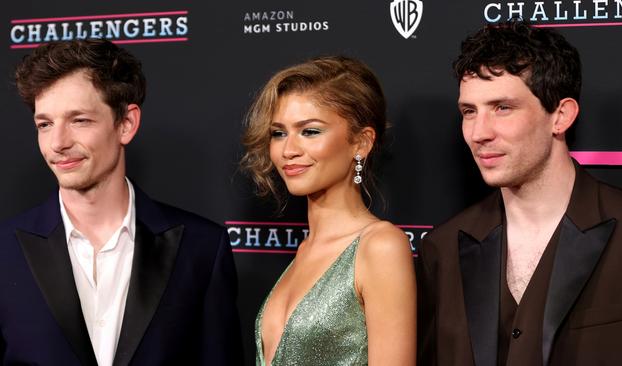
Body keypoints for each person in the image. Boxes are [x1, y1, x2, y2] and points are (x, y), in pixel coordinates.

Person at [417, 20, 622, 366]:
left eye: (502, 108)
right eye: (469, 112)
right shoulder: (444, 248)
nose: (478, 133)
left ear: (560, 116)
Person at [0, 39, 243, 365]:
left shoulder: (201, 248)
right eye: (45, 124)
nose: (57, 143)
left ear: (126, 124)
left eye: (79, 120)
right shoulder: (4, 251)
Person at [241, 56, 416, 365]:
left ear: (361, 143)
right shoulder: (305, 250)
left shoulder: (380, 246)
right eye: (279, 133)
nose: (288, 150)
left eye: (310, 131)